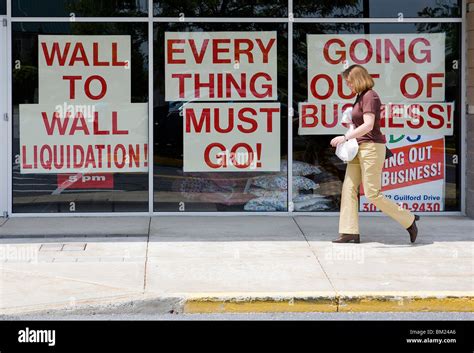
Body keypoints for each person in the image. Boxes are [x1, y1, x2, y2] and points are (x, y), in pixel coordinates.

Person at [330, 64, 419, 244]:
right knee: (348, 188)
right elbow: (361, 124)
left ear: (358, 79)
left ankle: (409, 220)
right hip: (358, 148)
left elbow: (369, 125)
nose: (349, 87)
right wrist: (349, 122)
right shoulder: (360, 97)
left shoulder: (370, 96)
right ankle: (349, 232)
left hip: (371, 148)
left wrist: (345, 137)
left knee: (372, 193)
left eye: (350, 83)